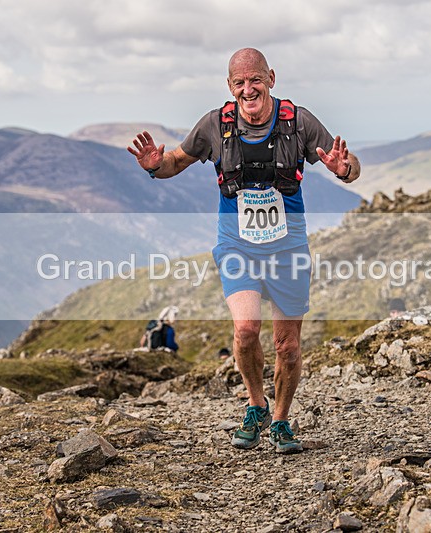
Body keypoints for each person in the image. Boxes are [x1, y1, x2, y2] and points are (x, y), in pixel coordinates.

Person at [128, 48, 360, 453]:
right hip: (236, 242)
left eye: (256, 79)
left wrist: (346, 169)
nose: (248, 89)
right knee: (245, 330)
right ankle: (256, 405)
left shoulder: (299, 122)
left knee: (287, 345)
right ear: (230, 86)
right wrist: (153, 164)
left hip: (287, 245)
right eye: (240, 82)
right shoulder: (215, 125)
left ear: (271, 77)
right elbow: (175, 162)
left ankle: (282, 421)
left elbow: (349, 166)